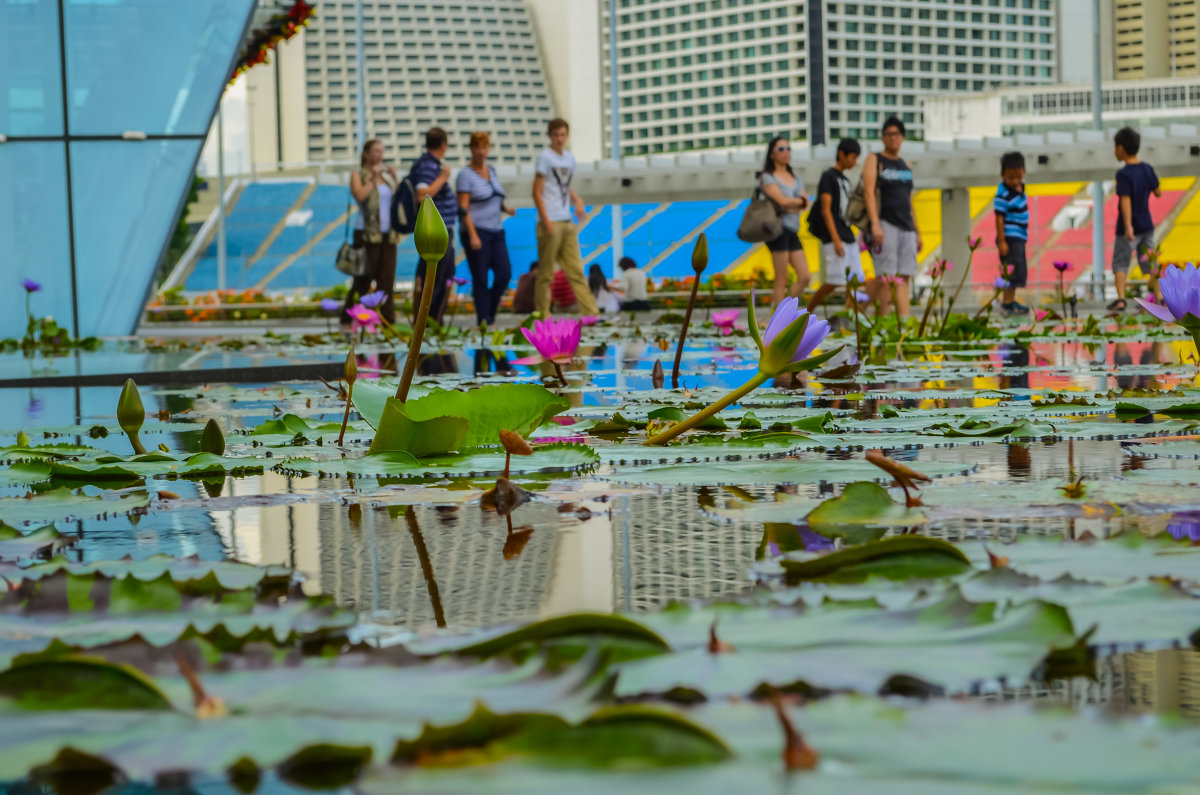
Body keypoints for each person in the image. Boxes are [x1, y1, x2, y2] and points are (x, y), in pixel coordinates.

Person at [533, 119, 598, 316]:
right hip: (550, 221)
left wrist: (577, 199)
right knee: (546, 274)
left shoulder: (570, 158)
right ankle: (542, 316)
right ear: (550, 136)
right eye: (556, 135)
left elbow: (564, 185)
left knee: (576, 270)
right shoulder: (545, 157)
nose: (560, 139)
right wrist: (545, 221)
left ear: (567, 135)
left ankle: (591, 314)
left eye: (563, 135)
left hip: (566, 220)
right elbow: (536, 192)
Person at [863, 117, 922, 318]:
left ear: (902, 137)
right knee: (885, 276)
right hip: (886, 223)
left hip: (906, 226)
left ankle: (903, 323)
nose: (892, 138)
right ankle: (856, 310)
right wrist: (875, 225)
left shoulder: (906, 164)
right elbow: (869, 192)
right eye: (888, 134)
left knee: (904, 277)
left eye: (896, 134)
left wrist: (917, 232)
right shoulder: (875, 159)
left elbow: (909, 200)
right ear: (883, 137)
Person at [457, 131, 516, 326]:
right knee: (480, 277)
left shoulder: (492, 170)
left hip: (496, 230)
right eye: (477, 147)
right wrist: (473, 235)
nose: (481, 152)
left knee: (505, 272)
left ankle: (490, 309)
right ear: (471, 149)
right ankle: (484, 319)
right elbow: (464, 208)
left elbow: (493, 198)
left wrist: (506, 208)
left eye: (484, 147)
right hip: (477, 231)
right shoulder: (465, 175)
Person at [343, 139, 399, 325]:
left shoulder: (386, 177)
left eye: (382, 151)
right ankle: (349, 317)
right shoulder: (359, 174)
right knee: (363, 279)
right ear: (366, 153)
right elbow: (359, 195)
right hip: (367, 234)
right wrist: (374, 179)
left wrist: (395, 178)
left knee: (387, 280)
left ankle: (387, 320)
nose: (379, 155)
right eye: (375, 151)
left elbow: (398, 199)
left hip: (388, 235)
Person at [807, 138, 865, 311]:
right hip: (835, 236)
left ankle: (852, 317)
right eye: (853, 157)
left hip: (847, 233)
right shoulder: (828, 176)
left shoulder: (845, 180)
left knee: (856, 280)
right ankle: (806, 313)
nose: (855, 162)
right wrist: (835, 238)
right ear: (842, 154)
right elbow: (826, 210)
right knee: (834, 281)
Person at [1109, 126, 1162, 311]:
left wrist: (1129, 226)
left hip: (1127, 228)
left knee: (1120, 262)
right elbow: (1158, 192)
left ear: (1121, 149)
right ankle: (1159, 296)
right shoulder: (1147, 168)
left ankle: (1121, 299)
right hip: (1147, 224)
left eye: (1115, 147)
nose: (1115, 151)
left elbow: (1125, 200)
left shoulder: (1123, 174)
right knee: (1150, 260)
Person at [411, 127, 458, 323]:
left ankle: (435, 320)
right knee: (435, 278)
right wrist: (443, 177)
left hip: (444, 230)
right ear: (444, 145)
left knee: (445, 276)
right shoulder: (429, 166)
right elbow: (423, 195)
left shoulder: (430, 163)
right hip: (436, 232)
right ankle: (428, 322)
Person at [758, 136, 811, 307]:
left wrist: (792, 203)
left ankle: (786, 309)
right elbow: (782, 201)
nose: (786, 152)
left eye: (788, 148)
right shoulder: (768, 177)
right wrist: (797, 202)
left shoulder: (794, 176)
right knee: (782, 276)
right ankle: (777, 317)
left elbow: (803, 202)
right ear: (772, 154)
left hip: (792, 229)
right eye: (781, 149)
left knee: (804, 276)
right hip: (777, 230)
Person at [994, 151, 1030, 315]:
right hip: (1010, 238)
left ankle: (1011, 299)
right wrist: (1002, 241)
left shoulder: (1021, 188)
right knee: (1011, 270)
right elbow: (999, 217)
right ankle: (1007, 302)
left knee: (1018, 270)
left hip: (1020, 237)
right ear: (1002, 175)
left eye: (1018, 176)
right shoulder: (1002, 193)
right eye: (1011, 177)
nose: (1015, 181)